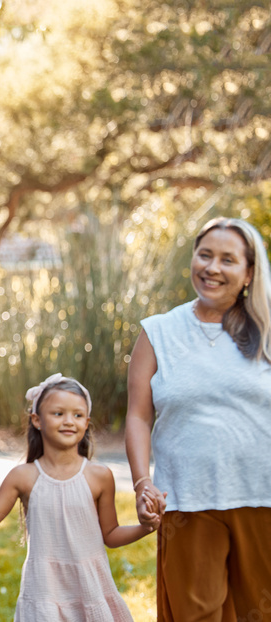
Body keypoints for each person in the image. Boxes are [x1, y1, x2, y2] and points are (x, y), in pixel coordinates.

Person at [126, 217, 271, 620]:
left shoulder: (269, 330)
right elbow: (138, 416)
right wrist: (142, 484)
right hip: (187, 500)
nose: (212, 267)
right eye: (204, 255)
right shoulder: (158, 332)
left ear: (249, 273)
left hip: (264, 498)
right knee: (195, 615)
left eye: (227, 259)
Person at [0, 373, 151, 621]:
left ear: (87, 422)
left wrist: (145, 527)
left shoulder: (99, 476)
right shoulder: (23, 477)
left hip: (90, 589)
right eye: (58, 413)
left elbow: (111, 535)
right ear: (37, 420)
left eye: (78, 415)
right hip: (44, 593)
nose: (69, 421)